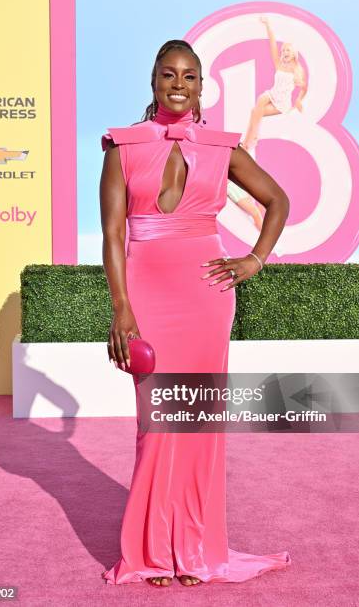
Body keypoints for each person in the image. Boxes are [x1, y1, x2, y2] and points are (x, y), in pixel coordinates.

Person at [99, 39, 291, 587]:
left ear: (202, 86)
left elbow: (278, 200)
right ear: (154, 82)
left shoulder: (222, 146)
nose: (178, 84)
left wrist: (254, 259)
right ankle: (153, 551)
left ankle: (196, 547)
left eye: (189, 75)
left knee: (199, 423)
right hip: (146, 297)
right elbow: (114, 233)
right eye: (168, 74)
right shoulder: (122, 146)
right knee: (156, 423)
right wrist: (121, 308)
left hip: (207, 298)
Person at [242, 16, 307, 151]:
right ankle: (249, 141)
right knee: (259, 102)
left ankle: (248, 142)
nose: (284, 52)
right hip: (271, 95)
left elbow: (304, 87)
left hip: (282, 103)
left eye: (287, 50)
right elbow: (272, 44)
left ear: (294, 53)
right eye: (283, 50)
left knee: (255, 112)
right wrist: (267, 25)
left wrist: (299, 101)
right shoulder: (279, 65)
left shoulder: (297, 70)